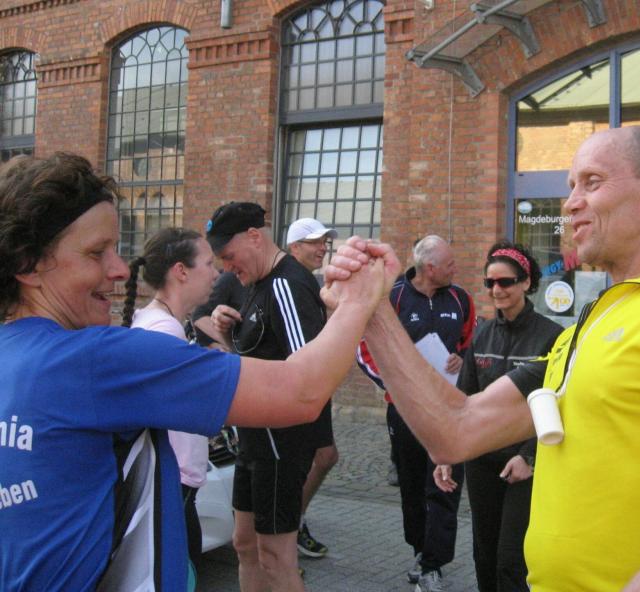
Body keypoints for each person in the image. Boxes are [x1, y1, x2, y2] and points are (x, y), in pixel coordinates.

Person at [327, 125, 640, 591]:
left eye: (592, 182)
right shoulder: (594, 319)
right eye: (570, 186)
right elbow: (454, 431)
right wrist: (372, 310)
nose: (570, 203)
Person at [0, 152, 383, 591]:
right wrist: (359, 300)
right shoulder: (101, 359)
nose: (120, 269)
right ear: (28, 264)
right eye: (95, 252)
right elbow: (301, 392)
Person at [204, 202, 331, 592]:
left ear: (254, 237)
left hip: (280, 443)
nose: (227, 267)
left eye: (229, 256)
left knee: (276, 557)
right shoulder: (257, 284)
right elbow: (257, 359)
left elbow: (308, 372)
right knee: (245, 544)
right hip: (253, 437)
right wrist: (226, 334)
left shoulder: (286, 284)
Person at [434, 241, 561, 592]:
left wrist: (528, 456)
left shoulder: (552, 336)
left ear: (526, 282)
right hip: (482, 462)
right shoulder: (482, 333)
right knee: (484, 552)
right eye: (490, 283)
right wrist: (447, 452)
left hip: (523, 465)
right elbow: (464, 400)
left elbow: (558, 403)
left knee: (511, 559)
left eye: (505, 282)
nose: (496, 290)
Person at [357, 234, 475, 592]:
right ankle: (421, 552)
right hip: (404, 410)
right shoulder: (392, 298)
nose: (456, 269)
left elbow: (471, 341)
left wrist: (463, 358)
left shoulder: (460, 298)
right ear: (429, 268)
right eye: (450, 264)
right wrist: (396, 386)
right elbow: (365, 349)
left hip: (450, 409)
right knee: (411, 486)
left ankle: (434, 564)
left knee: (445, 485)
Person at [119, 227, 218, 573]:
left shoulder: (157, 321)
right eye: (209, 263)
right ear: (181, 271)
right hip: (172, 481)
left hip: (174, 479)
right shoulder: (164, 330)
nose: (216, 273)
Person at [286, 217, 340, 559]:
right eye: (315, 242)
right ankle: (287, 530)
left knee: (324, 456)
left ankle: (293, 522)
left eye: (324, 242)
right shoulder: (291, 281)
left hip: (316, 387)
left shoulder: (308, 281)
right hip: (303, 389)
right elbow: (303, 349)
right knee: (312, 458)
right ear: (295, 247)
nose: (323, 248)